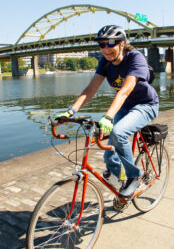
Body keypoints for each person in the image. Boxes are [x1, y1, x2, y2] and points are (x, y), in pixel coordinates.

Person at [55, 25, 159, 198]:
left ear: (122, 43)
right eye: (101, 44)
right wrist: (70, 112)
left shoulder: (135, 58)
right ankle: (122, 182)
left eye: (111, 43)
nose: (106, 48)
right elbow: (90, 89)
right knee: (109, 156)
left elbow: (124, 90)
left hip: (145, 105)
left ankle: (134, 176)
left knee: (118, 133)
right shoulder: (104, 62)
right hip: (124, 107)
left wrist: (108, 116)